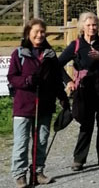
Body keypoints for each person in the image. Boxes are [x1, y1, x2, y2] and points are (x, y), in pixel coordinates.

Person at [8, 18, 69, 188]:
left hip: (45, 104)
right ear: (28, 33)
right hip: (24, 105)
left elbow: (57, 79)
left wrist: (63, 98)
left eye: (43, 31)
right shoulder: (19, 54)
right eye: (36, 31)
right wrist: (27, 80)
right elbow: (12, 77)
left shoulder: (50, 55)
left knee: (41, 140)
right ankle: (20, 175)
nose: (40, 35)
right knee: (21, 142)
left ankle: (38, 171)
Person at [59, 12, 99, 171]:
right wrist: (69, 81)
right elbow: (57, 65)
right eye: (88, 25)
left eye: (94, 25)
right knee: (86, 125)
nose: (92, 28)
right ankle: (79, 159)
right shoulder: (76, 45)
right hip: (85, 90)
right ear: (82, 27)